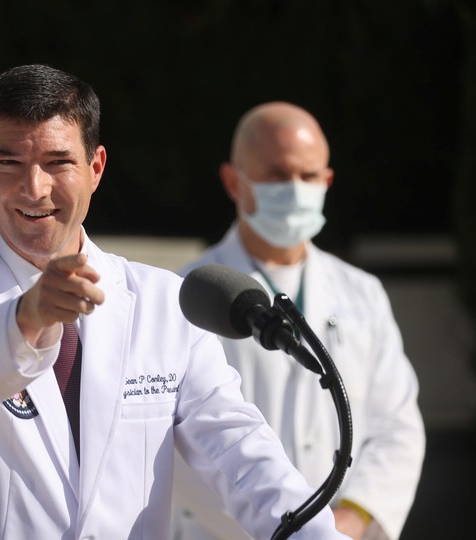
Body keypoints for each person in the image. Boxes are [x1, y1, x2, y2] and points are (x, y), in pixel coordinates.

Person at [0, 64, 350, 539]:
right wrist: (25, 320)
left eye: (58, 162)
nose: (35, 189)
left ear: (95, 168)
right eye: (10, 163)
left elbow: (236, 448)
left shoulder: (162, 302)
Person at [173, 102, 425, 540]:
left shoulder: (361, 292)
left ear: (327, 181)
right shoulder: (189, 297)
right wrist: (289, 529)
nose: (295, 188)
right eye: (276, 174)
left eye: (308, 176)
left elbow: (397, 426)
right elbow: (181, 447)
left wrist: (347, 521)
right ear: (234, 182)